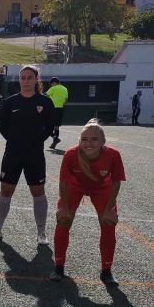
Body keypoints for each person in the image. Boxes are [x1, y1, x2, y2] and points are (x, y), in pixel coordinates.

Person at [50, 120, 124, 285]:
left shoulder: (113, 155)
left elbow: (116, 182)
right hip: (74, 188)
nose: (88, 143)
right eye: (84, 139)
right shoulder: (70, 154)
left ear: (103, 141)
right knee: (63, 220)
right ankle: (59, 266)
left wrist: (110, 208)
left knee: (109, 222)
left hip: (102, 189)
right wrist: (64, 207)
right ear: (79, 140)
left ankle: (106, 271)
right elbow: (63, 182)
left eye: (94, 139)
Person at [0, 64, 54, 244]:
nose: (25, 81)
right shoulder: (10, 102)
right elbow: (3, 127)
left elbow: (49, 127)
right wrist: (17, 141)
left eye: (29, 77)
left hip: (35, 155)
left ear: (36, 80)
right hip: (12, 153)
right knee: (6, 191)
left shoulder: (45, 102)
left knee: (38, 192)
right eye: (22, 77)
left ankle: (41, 233)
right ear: (19, 80)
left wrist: (34, 141)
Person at [46, 77, 68, 149]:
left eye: (51, 84)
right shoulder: (65, 89)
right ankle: (55, 141)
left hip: (52, 109)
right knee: (56, 126)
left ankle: (55, 138)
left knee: (46, 126)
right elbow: (65, 101)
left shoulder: (53, 88)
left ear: (54, 83)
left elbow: (46, 96)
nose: (51, 86)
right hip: (60, 109)